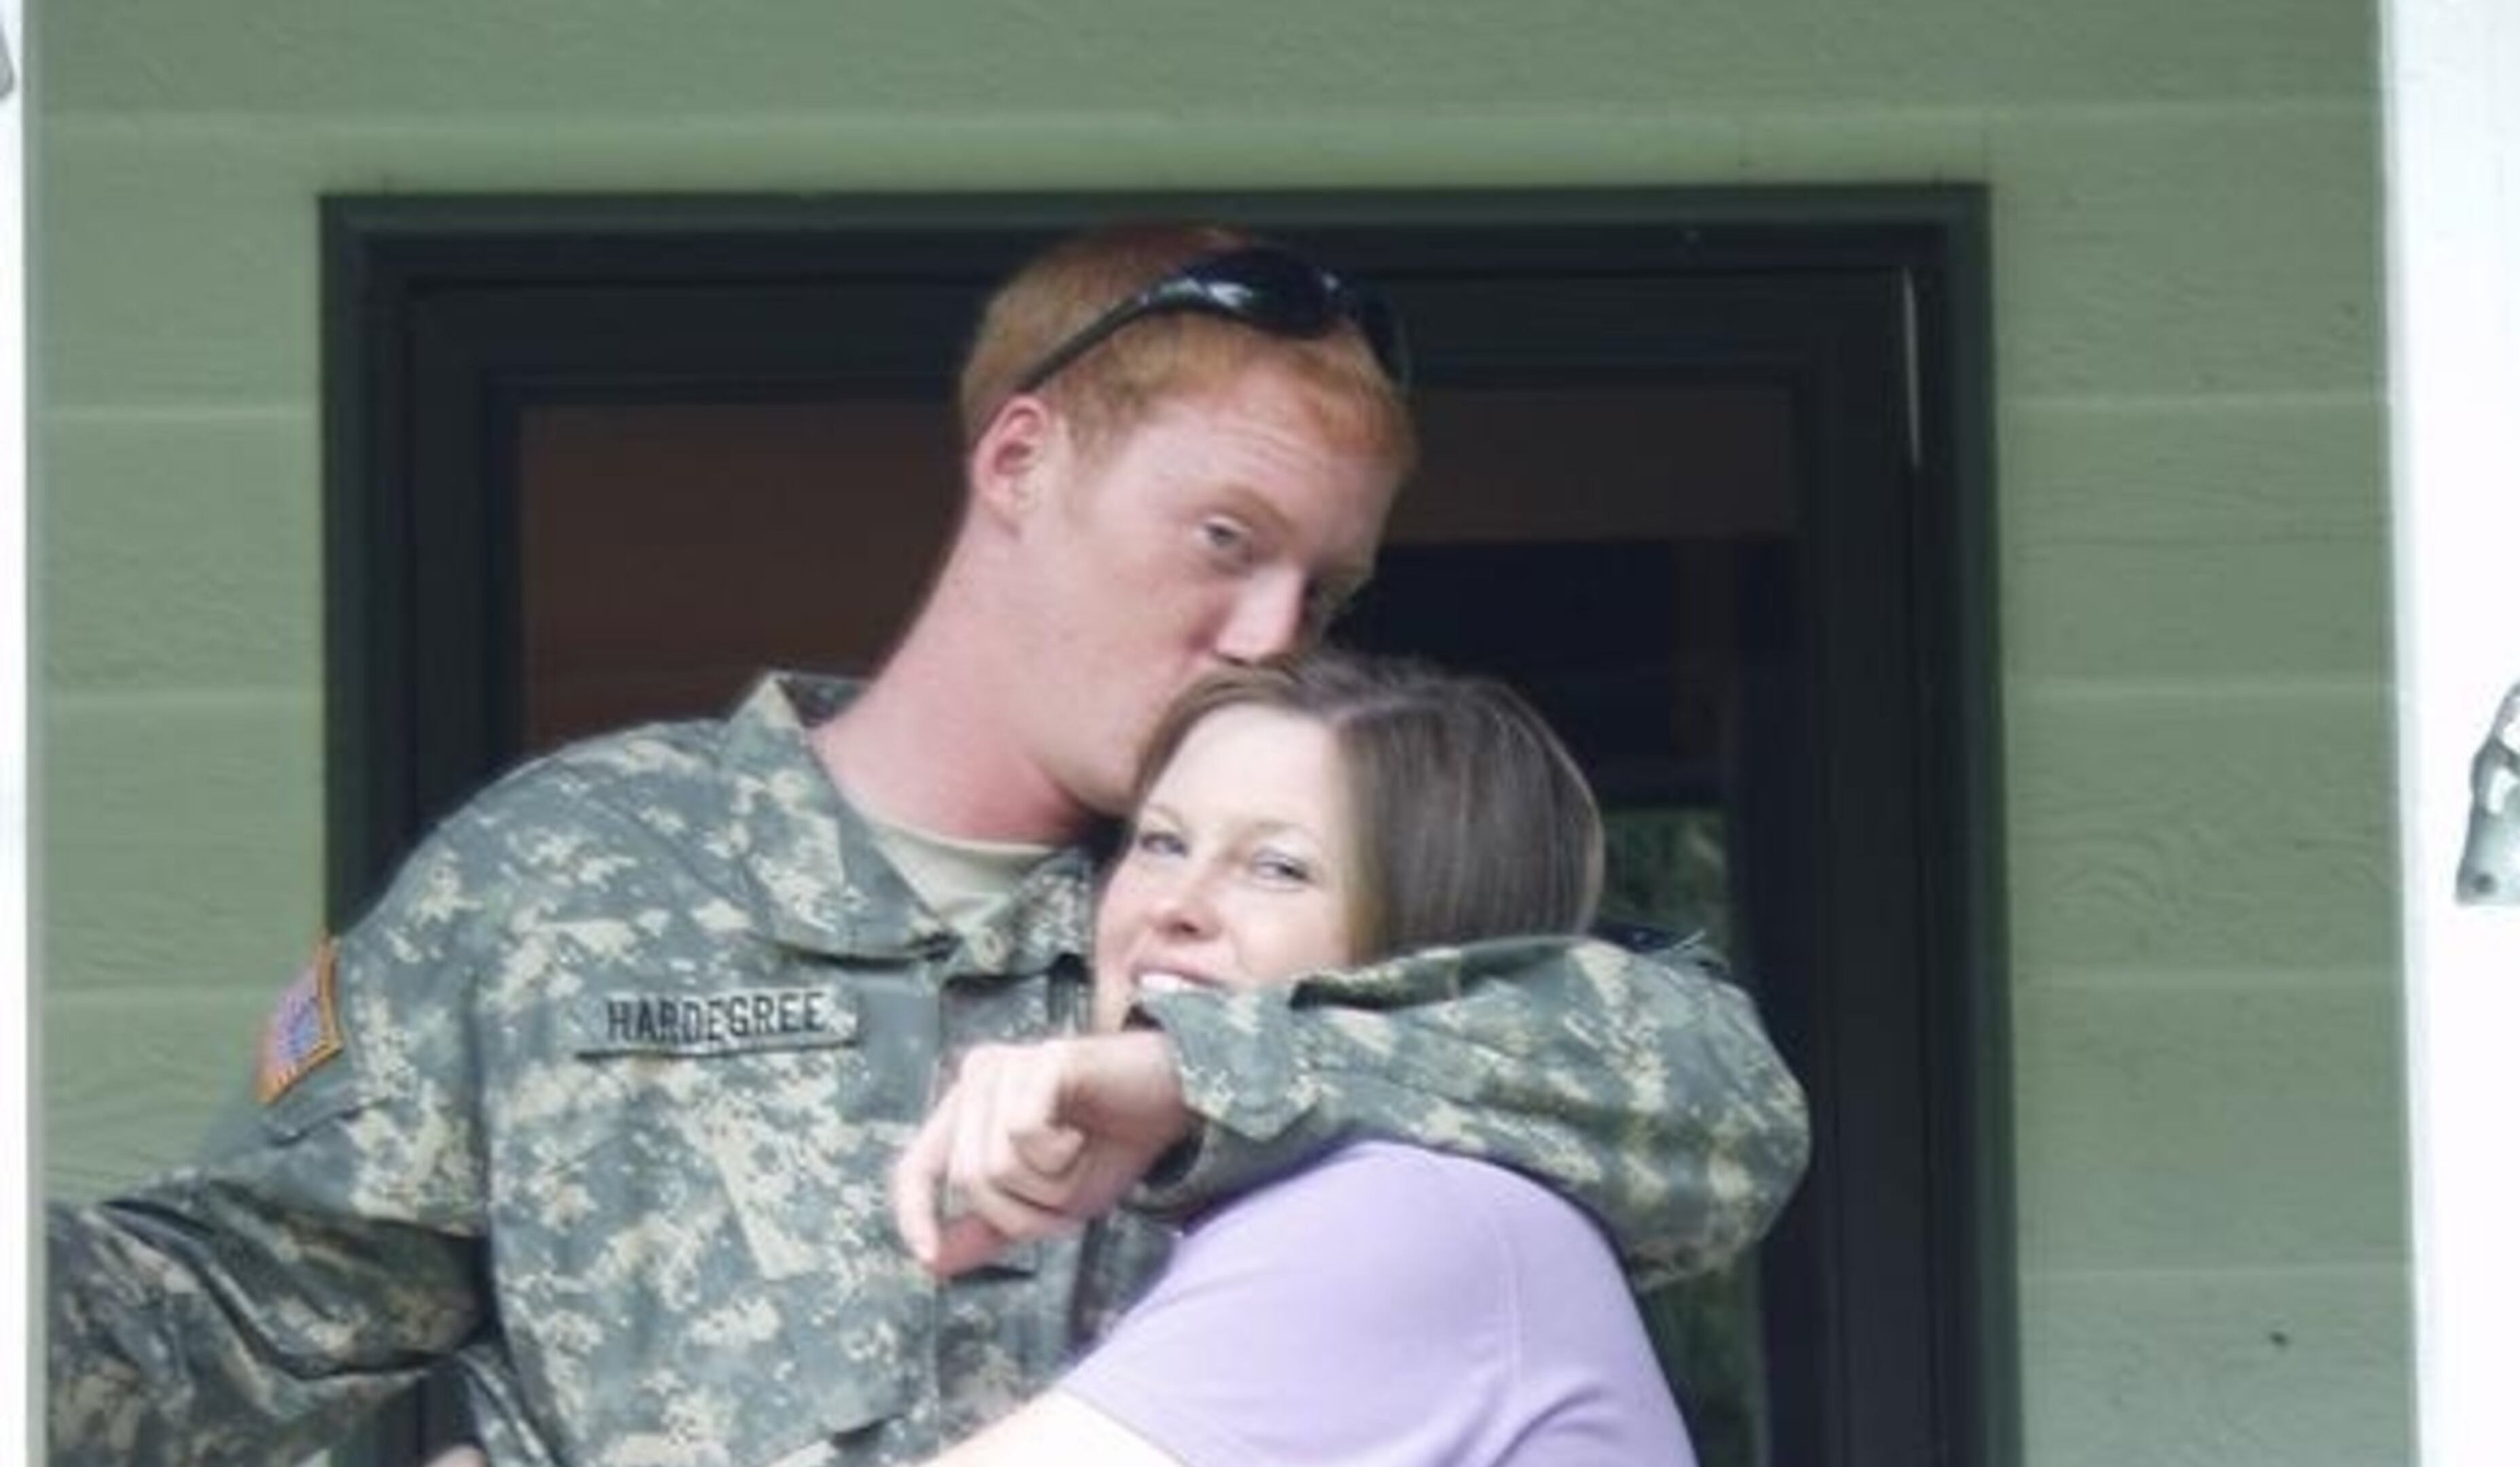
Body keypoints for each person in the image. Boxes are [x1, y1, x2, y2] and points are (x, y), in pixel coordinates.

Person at [46, 222, 1809, 1467]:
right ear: (1024, 459)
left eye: (1326, 584)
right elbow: (230, 1318)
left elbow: (1710, 1103)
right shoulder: (570, 875)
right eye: (1223, 535)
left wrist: (1195, 1071)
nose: (1274, 630)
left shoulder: (1276, 881)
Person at [926, 651, 1698, 1467]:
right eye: (1161, 842)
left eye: (1278, 868)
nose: (1175, 905)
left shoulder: (1401, 1212)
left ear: (1429, 950)